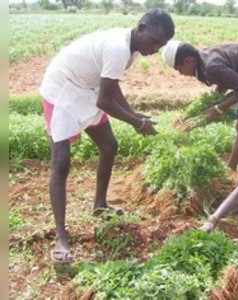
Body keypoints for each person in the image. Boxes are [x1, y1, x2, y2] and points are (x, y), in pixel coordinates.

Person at [39, 9, 175, 263]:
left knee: (109, 145)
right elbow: (105, 100)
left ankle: (99, 205)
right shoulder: (118, 48)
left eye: (161, 45)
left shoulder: (131, 49)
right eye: (154, 41)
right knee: (61, 162)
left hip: (86, 90)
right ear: (141, 27)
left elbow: (111, 87)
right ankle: (61, 236)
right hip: (62, 89)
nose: (156, 49)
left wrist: (135, 114)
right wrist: (136, 122)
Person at [162, 41, 238, 184]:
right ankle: (231, 168)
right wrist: (209, 104)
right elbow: (224, 79)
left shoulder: (211, 66)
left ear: (189, 60)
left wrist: (218, 108)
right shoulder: (203, 60)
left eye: (178, 68)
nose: (180, 73)